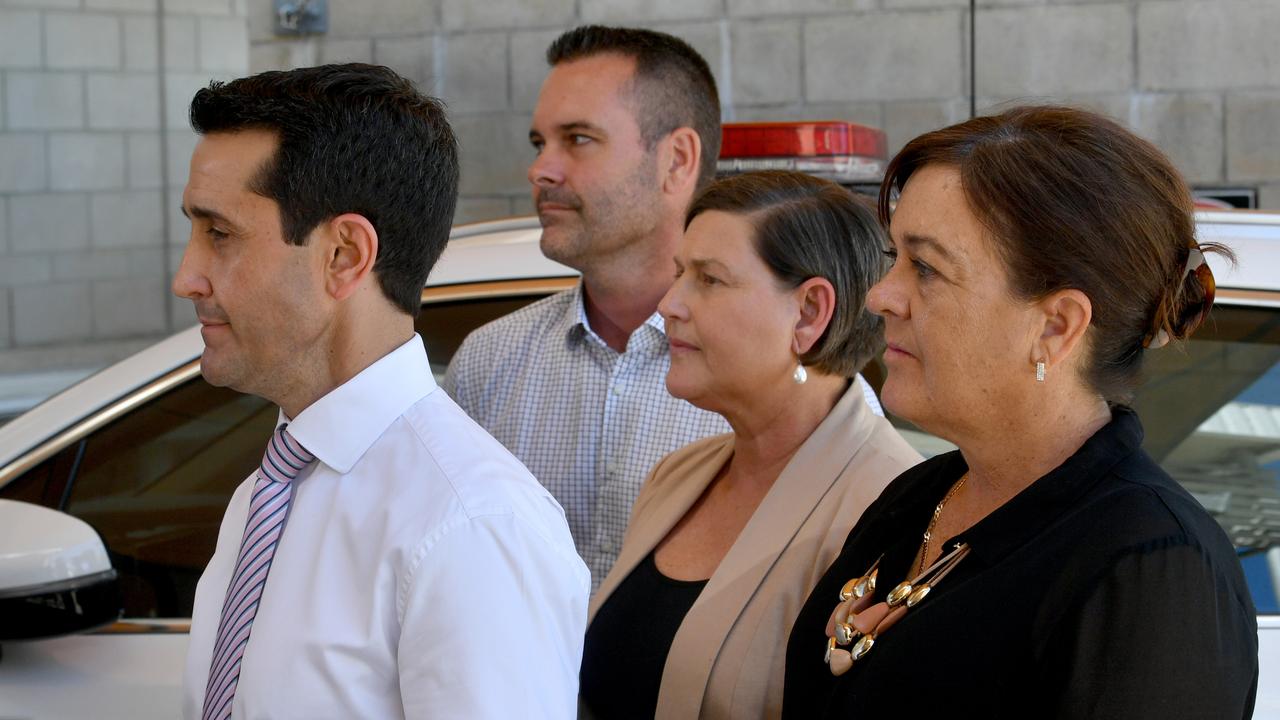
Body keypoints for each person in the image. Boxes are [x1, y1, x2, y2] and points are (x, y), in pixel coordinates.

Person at [781, 105, 1258, 719]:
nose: (880, 295)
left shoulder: (1149, 569)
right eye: (893, 257)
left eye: (926, 268)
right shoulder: (917, 498)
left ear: (1055, 328)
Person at [173, 65, 588, 720]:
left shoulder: (473, 527)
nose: (187, 277)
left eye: (218, 234)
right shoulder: (266, 493)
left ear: (344, 255)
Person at [443, 25, 880, 588]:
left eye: (577, 138)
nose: (540, 169)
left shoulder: (788, 393)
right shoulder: (488, 361)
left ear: (677, 160)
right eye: (539, 143)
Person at [579, 171, 921, 720]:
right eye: (678, 275)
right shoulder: (678, 475)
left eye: (709, 279)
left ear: (809, 313)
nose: (669, 304)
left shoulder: (890, 509)